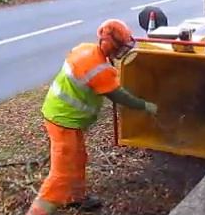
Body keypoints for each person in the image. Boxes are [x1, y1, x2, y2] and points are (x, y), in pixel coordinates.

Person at [27, 19, 158, 215]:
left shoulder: (85, 49)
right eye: (120, 47)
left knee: (79, 158)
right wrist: (145, 105)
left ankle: (75, 198)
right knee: (61, 174)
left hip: (64, 117)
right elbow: (118, 95)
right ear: (110, 45)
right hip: (63, 120)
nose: (122, 51)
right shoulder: (98, 69)